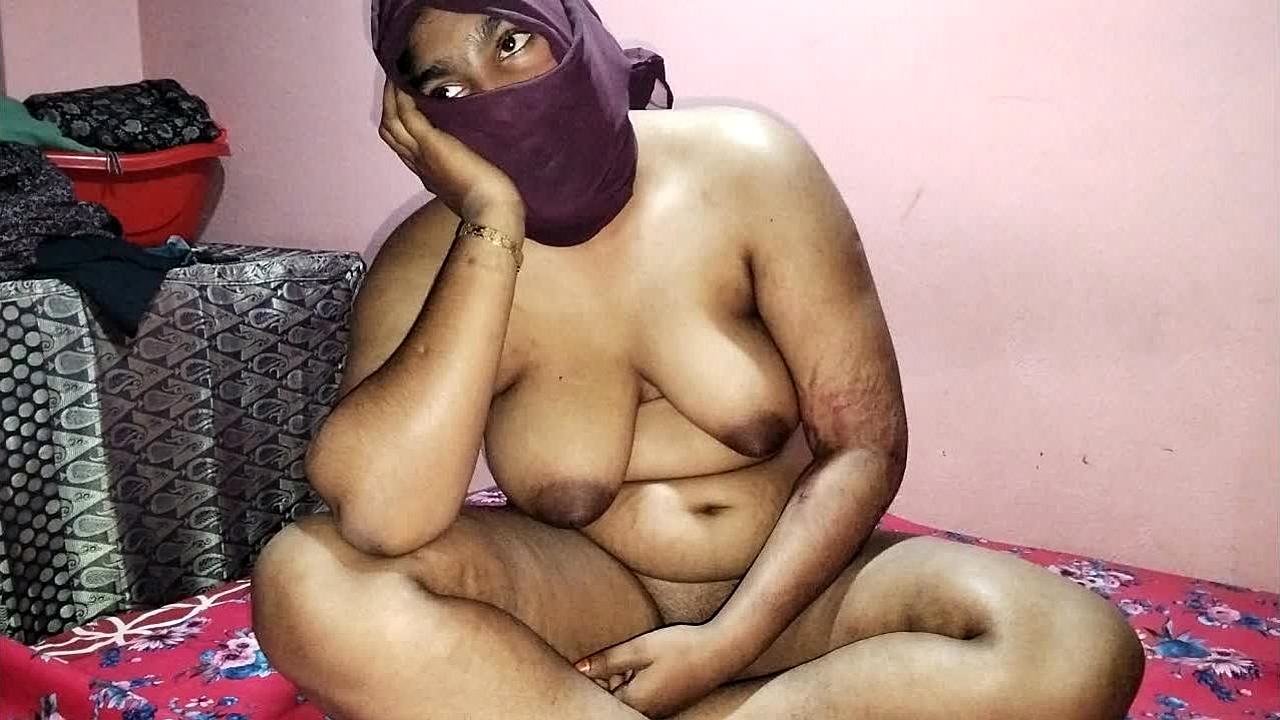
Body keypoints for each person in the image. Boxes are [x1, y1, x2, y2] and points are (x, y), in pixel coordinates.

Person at [252, 1, 1145, 718]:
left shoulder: (750, 167)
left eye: (511, 40)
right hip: (586, 605)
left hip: (800, 592)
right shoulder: (428, 258)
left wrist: (722, 648)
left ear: (572, 25)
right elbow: (381, 515)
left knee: (1074, 649)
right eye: (447, 88)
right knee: (307, 580)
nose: (491, 95)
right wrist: (491, 221)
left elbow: (865, 447)